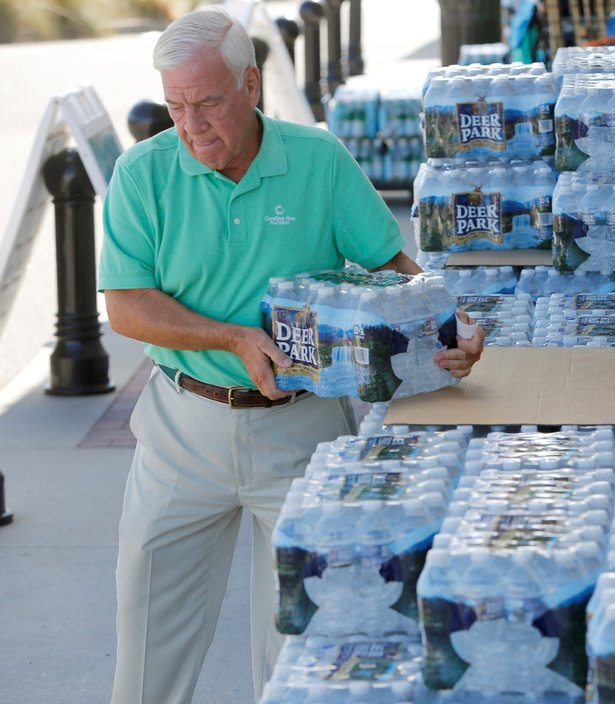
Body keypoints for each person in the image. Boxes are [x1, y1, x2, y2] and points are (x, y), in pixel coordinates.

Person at [98, 7, 484, 703]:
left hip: (304, 432)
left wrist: (450, 318)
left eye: (208, 102)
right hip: (182, 433)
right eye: (176, 106)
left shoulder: (319, 159)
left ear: (250, 84)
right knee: (148, 634)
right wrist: (232, 337)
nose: (190, 126)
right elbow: (125, 304)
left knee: (304, 644)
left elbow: (394, 267)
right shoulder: (142, 173)